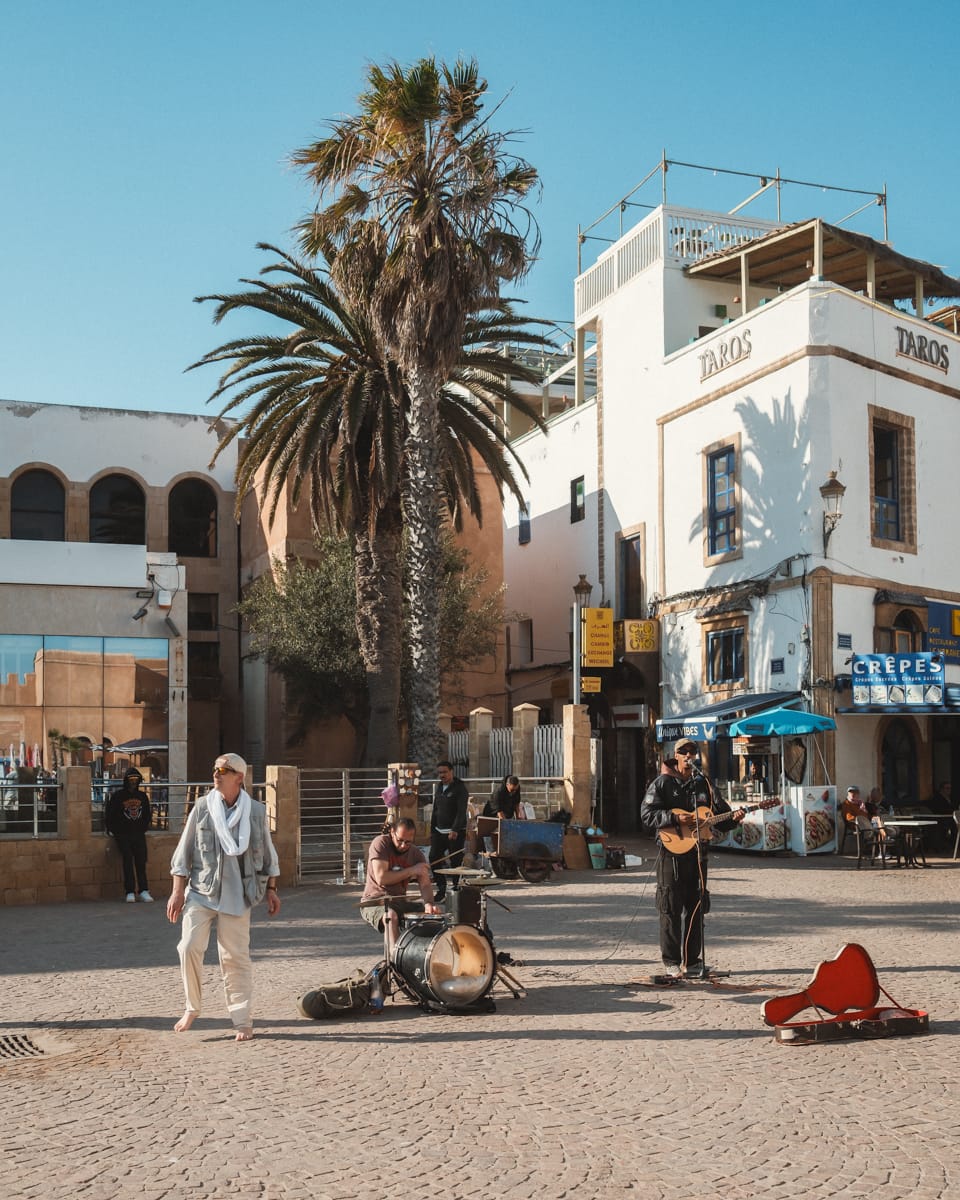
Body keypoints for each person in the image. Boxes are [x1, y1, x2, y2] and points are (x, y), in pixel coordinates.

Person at [166, 753, 280, 1042]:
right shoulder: (203, 808)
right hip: (202, 893)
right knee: (188, 947)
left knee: (235, 959)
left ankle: (242, 1020)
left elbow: (269, 855)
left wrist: (272, 890)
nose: (217, 774)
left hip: (239, 896)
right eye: (215, 769)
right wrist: (177, 891)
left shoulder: (255, 811)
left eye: (224, 770)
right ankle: (192, 1007)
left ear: (238, 778)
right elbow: (183, 853)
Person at [640, 740, 743, 978]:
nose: (689, 755)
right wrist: (675, 819)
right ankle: (671, 962)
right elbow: (647, 814)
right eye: (683, 752)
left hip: (698, 854)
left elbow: (720, 817)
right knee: (670, 907)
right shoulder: (662, 783)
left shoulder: (703, 783)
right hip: (671, 855)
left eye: (692, 752)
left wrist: (735, 818)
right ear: (675, 755)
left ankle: (693, 961)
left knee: (697, 906)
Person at [359, 818, 441, 955]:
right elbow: (382, 878)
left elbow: (425, 884)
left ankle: (424, 960)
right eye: (400, 840)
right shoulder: (380, 843)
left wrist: (429, 904)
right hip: (374, 901)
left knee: (433, 917)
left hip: (399, 901)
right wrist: (412, 870)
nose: (403, 845)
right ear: (392, 832)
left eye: (408, 842)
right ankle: (396, 961)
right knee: (390, 916)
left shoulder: (416, 853)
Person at [103, 767, 154, 902]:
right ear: (126, 780)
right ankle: (129, 891)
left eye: (136, 779)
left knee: (141, 861)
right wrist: (113, 829)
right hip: (123, 834)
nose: (133, 782)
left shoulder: (142, 797)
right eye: (131, 779)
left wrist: (143, 827)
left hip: (138, 834)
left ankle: (143, 890)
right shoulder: (118, 796)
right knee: (127, 861)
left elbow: (147, 815)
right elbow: (110, 813)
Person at [430, 761, 468, 902]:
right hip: (439, 831)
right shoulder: (440, 787)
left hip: (454, 832)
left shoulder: (460, 788)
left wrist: (455, 829)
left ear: (451, 772)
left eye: (445, 772)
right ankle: (441, 889)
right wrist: (432, 830)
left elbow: (461, 811)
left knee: (455, 861)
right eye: (439, 772)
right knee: (434, 858)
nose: (442, 775)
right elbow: (436, 810)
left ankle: (456, 888)